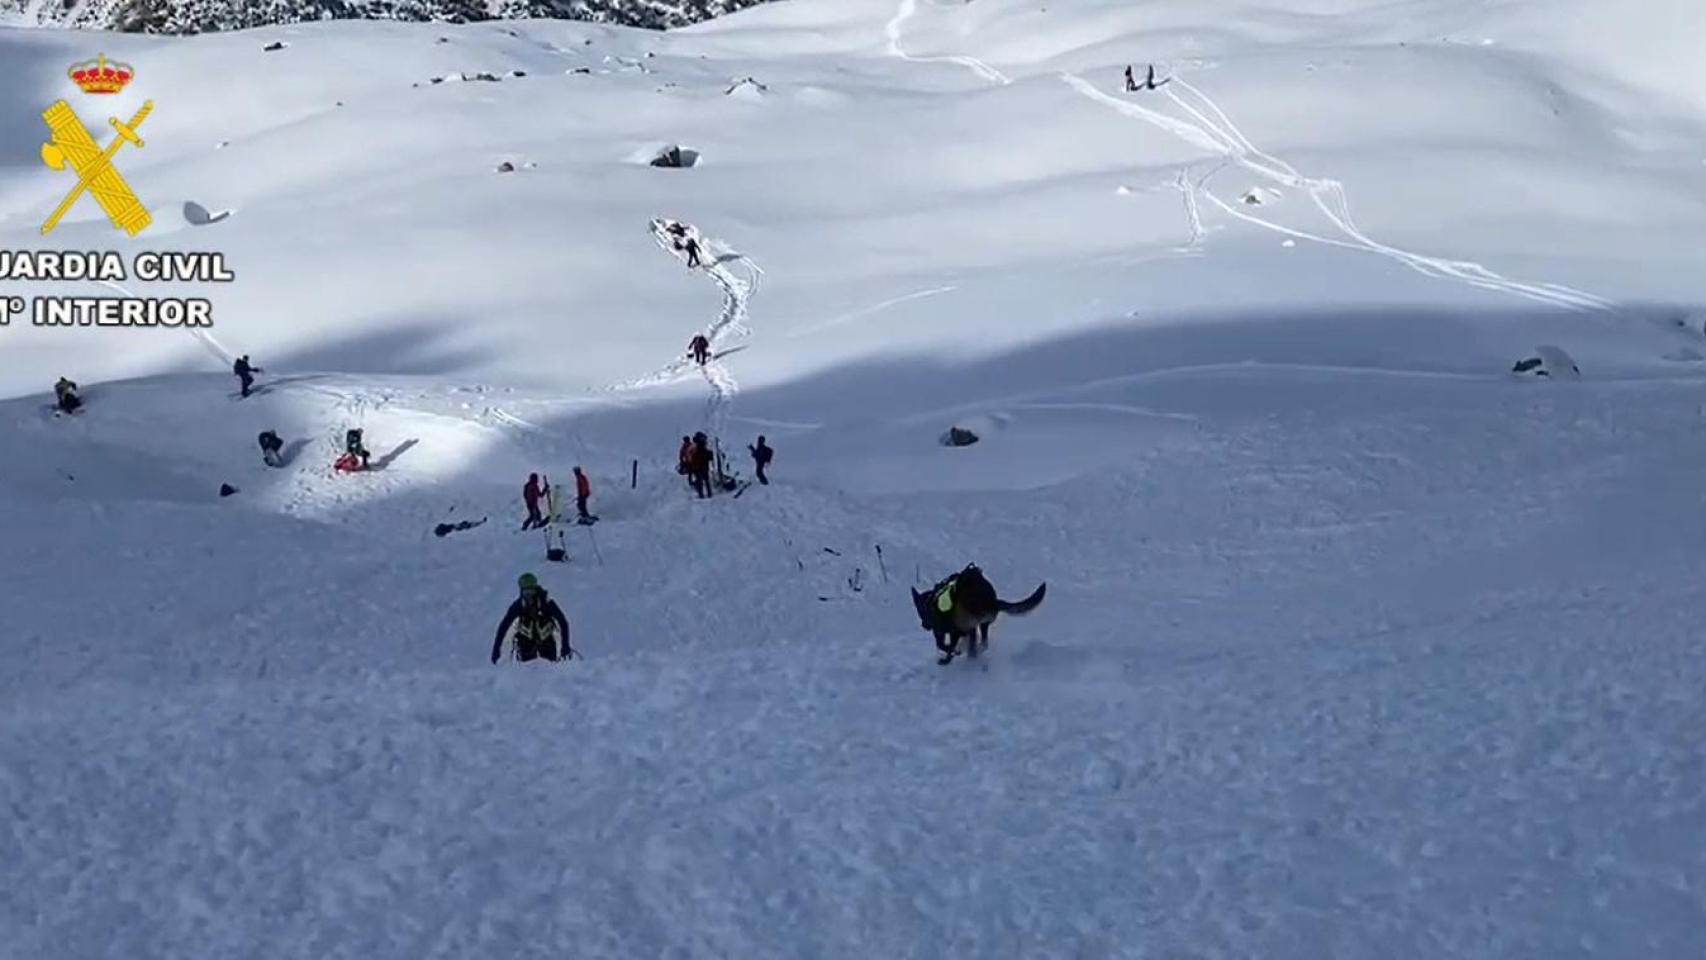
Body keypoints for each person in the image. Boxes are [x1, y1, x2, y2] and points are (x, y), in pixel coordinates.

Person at [490, 572, 573, 663]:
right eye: (526, 592)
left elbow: (563, 621)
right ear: (521, 591)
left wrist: (565, 645)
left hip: (546, 641)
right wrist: (496, 649)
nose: (529, 595)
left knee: (550, 668)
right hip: (526, 642)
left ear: (536, 589)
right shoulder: (518, 605)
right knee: (527, 670)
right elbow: (504, 626)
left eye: (531, 591)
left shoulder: (546, 602)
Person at [689, 431, 714, 498]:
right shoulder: (699, 447)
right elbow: (706, 456)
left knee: (702, 481)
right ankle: (707, 494)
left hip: (699, 467)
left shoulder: (695, 447)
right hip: (701, 467)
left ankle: (703, 494)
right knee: (704, 481)